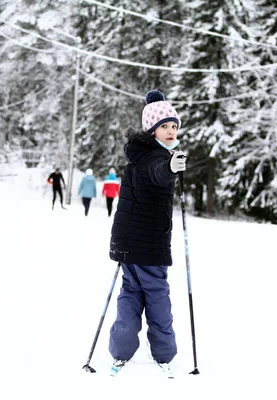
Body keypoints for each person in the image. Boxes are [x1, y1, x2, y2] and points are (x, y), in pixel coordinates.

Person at [107, 90, 187, 374]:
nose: (170, 131)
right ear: (152, 130)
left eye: (174, 125)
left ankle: (121, 348)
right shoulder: (153, 157)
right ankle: (164, 352)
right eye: (164, 126)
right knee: (156, 295)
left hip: (128, 243)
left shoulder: (138, 155)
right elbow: (158, 171)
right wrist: (170, 166)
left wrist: (168, 164)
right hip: (149, 245)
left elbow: (154, 171)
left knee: (131, 292)